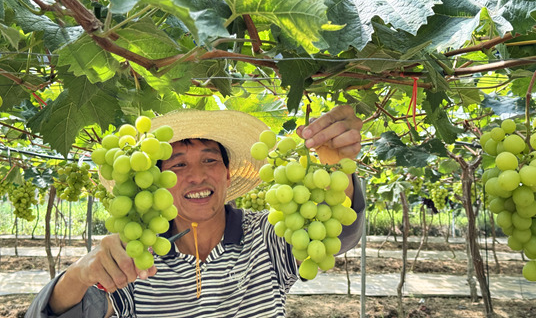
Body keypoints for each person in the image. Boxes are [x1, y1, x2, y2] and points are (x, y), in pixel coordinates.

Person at [26, 105, 366, 318]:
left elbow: (338, 234)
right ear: (155, 183)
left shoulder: (266, 237)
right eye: (177, 166)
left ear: (228, 173)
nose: (197, 176)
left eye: (209, 160)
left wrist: (337, 167)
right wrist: (78, 275)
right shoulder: (137, 255)